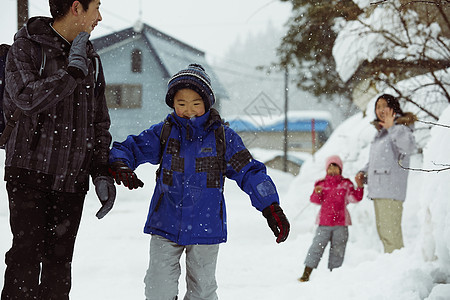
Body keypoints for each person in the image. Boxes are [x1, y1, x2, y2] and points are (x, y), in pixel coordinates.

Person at [109, 63, 290, 300]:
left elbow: (250, 172)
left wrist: (270, 206)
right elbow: (129, 148)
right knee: (158, 288)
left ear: (207, 103)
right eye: (181, 103)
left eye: (196, 103)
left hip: (206, 225)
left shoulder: (223, 138)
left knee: (202, 292)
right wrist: (120, 164)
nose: (188, 110)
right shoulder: (164, 133)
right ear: (172, 104)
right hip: (166, 222)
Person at [1, 1, 115, 299]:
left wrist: (101, 170)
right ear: (77, 7)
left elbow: (99, 122)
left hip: (71, 181)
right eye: (96, 8)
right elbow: (27, 97)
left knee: (59, 269)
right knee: (24, 263)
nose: (100, 17)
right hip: (28, 174)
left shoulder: (92, 59)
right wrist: (72, 72)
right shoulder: (26, 48)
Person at [355, 94, 417, 253]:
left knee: (391, 236)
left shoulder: (401, 128)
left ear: (393, 108)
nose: (380, 110)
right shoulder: (381, 133)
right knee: (385, 235)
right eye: (378, 107)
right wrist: (364, 173)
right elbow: (377, 161)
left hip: (391, 191)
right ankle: (392, 267)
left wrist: (392, 128)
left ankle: (398, 269)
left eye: (384, 106)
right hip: (380, 191)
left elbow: (409, 148)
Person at [299, 155, 363, 282]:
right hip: (324, 223)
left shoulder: (346, 184)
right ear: (326, 169)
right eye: (330, 167)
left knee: (338, 251)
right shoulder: (321, 184)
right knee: (316, 247)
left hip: (341, 223)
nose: (332, 170)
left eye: (336, 167)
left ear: (340, 169)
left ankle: (334, 276)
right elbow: (315, 200)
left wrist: (359, 187)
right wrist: (316, 193)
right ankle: (306, 273)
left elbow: (355, 198)